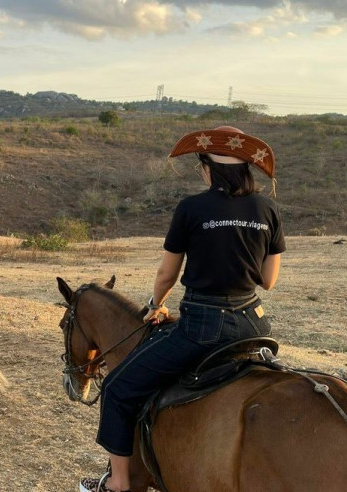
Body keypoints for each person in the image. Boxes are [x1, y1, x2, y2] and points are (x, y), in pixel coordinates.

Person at [79, 126, 285, 492]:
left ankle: (119, 484)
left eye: (200, 166)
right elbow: (269, 280)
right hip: (254, 326)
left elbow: (166, 274)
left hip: (203, 327)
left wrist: (155, 305)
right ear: (245, 170)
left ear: (208, 167)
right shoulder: (267, 208)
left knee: (116, 388)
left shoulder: (192, 208)